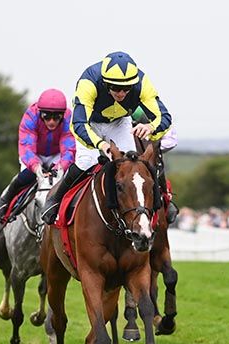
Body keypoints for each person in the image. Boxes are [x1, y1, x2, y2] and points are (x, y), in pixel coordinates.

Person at [41, 51, 173, 224]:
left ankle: (163, 200)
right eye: (116, 88)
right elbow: (78, 124)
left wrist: (150, 126)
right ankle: (55, 199)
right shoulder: (88, 82)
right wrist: (100, 145)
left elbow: (164, 117)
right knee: (86, 162)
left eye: (127, 89)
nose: (121, 94)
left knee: (133, 166)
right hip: (91, 124)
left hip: (120, 122)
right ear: (105, 83)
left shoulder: (142, 82)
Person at [0, 88, 75, 223]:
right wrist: (36, 168)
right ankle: (4, 201)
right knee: (28, 176)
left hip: (58, 155)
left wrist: (60, 167)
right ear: (40, 113)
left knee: (67, 178)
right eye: (47, 116)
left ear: (63, 115)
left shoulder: (69, 119)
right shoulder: (31, 116)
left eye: (56, 117)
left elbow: (69, 149)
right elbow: (27, 147)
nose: (52, 121)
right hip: (34, 154)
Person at [131, 105, 179, 223]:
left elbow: (171, 141)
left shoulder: (159, 116)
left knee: (156, 166)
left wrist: (155, 147)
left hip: (151, 158)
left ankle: (165, 198)